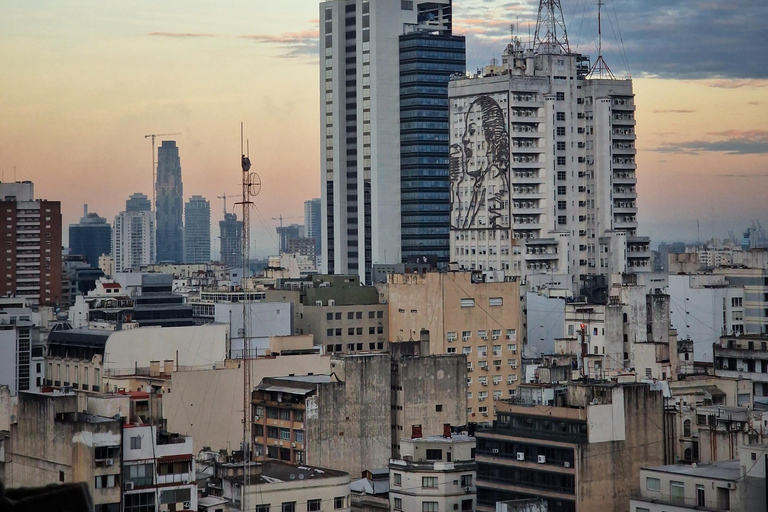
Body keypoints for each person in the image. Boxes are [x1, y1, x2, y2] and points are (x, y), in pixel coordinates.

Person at [450, 96, 510, 230]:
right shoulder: (472, 186)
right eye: (466, 132)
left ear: (492, 140)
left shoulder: (495, 189)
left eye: (471, 132)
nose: (465, 138)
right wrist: (454, 185)